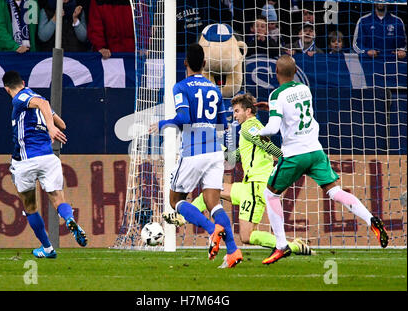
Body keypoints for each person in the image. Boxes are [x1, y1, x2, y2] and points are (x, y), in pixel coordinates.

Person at [255, 55, 388, 264]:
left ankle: (281, 246)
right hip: (315, 151)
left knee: (270, 194)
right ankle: (371, 219)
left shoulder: (276, 94)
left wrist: (258, 132)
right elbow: (294, 111)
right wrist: (271, 109)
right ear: (295, 70)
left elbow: (272, 128)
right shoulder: (304, 89)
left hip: (294, 154)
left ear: (275, 72)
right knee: (335, 191)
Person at [173, 93, 314, 256]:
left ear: (248, 112)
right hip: (249, 186)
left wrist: (286, 158)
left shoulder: (249, 127)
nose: (234, 115)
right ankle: (182, 217)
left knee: (247, 236)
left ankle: (293, 246)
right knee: (212, 192)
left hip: (256, 186)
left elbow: (267, 145)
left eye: (237, 111)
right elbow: (234, 157)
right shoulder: (249, 130)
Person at [151, 43, 243, 268]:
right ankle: (232, 251)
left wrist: (162, 123)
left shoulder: (181, 87)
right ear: (204, 64)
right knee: (214, 204)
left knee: (175, 201)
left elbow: (183, 118)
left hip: (193, 151)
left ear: (185, 63)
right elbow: (223, 124)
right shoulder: (214, 89)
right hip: (214, 152)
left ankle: (213, 230)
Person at [2, 70, 88, 258]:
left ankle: (47, 248)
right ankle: (69, 219)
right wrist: (51, 122)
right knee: (58, 199)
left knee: (30, 207)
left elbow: (43, 104)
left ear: (6, 88)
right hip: (49, 159)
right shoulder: (36, 96)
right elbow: (62, 124)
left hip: (25, 161)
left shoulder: (20, 97)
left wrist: (50, 128)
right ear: (23, 81)